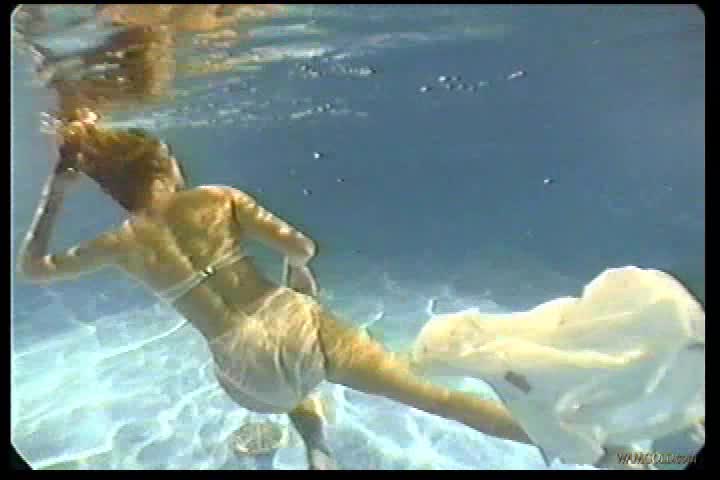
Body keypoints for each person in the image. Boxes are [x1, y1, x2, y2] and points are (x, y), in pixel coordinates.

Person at [17, 112, 536, 469]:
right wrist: (297, 274)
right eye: (170, 155)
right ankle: (585, 447)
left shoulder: (117, 244)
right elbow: (301, 246)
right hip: (292, 322)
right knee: (439, 400)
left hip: (245, 373)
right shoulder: (218, 199)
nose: (177, 163)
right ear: (160, 166)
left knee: (293, 393)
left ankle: (316, 445)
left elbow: (34, 269)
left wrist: (56, 192)